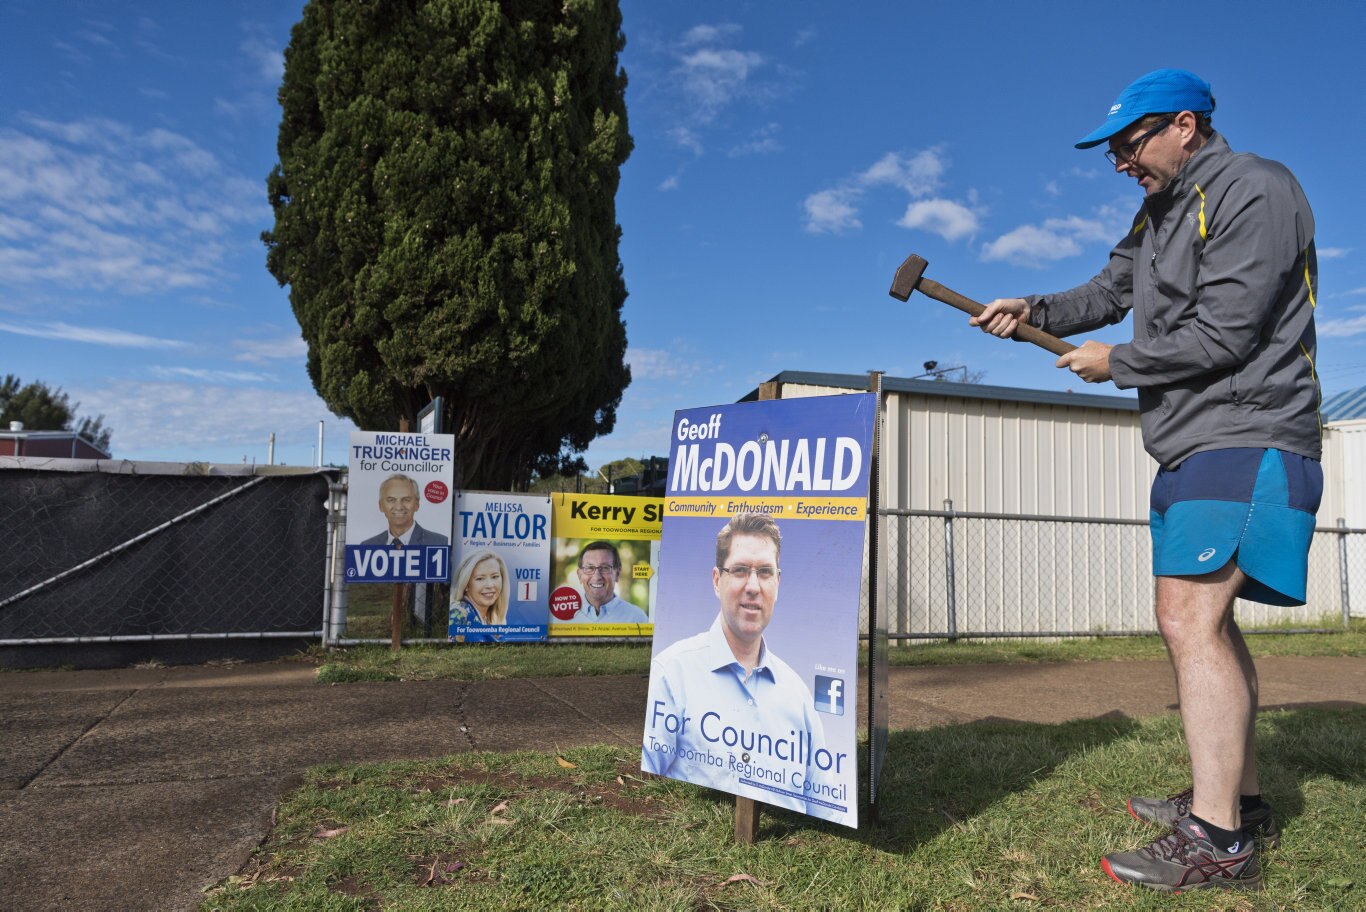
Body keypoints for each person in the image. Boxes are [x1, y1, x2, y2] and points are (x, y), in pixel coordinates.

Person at [972, 69, 1319, 892]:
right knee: (1208, 621)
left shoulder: (1254, 188)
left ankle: (1219, 841)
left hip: (1247, 428)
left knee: (1189, 617)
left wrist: (1120, 362)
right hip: (1190, 440)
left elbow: (1227, 331)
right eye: (1114, 152)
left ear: (1186, 126)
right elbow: (1108, 289)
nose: (1123, 162)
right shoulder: (1158, 213)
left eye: (1131, 144)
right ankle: (1240, 798)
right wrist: (1036, 310)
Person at [641, 513, 846, 823]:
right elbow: (653, 787)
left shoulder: (797, 694)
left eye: (764, 572)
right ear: (716, 580)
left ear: (777, 583)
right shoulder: (673, 672)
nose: (753, 586)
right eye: (739, 570)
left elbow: (823, 805)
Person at [566, 541, 648, 624]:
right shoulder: (563, 616)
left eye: (605, 568)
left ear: (617, 574)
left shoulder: (636, 618)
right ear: (580, 575)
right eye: (590, 568)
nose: (597, 577)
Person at [360, 474, 449, 546]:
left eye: (406, 500)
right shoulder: (367, 546)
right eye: (391, 500)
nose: (399, 507)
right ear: (381, 506)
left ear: (417, 504)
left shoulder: (440, 543)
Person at [448, 549, 510, 639]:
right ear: (466, 584)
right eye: (480, 578)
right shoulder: (459, 612)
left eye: (495, 577)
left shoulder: (493, 618)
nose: (489, 585)